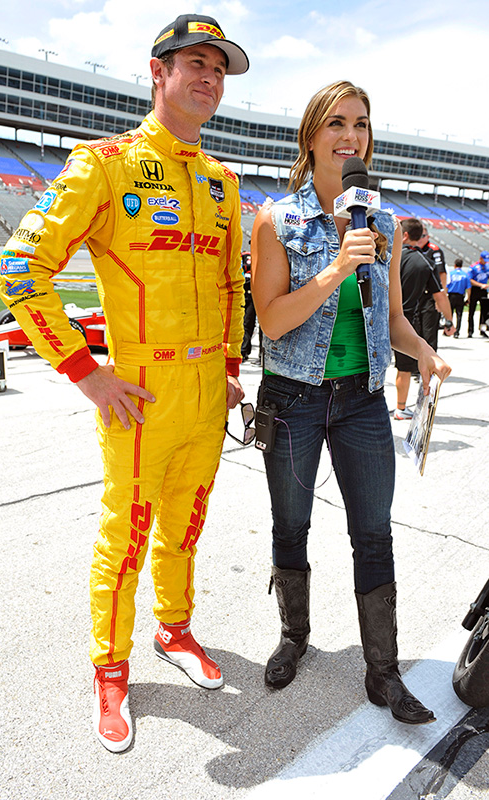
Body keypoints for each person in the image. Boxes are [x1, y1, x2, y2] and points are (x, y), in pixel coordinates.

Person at [0, 13, 249, 753]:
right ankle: (110, 669)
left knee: (186, 528)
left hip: (207, 392)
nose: (209, 78)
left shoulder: (225, 181)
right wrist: (87, 371)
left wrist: (230, 369)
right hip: (139, 393)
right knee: (127, 536)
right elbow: (19, 269)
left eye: (219, 69)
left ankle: (175, 630)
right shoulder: (103, 164)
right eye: (196, 63)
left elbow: (232, 287)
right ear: (158, 71)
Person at [251, 80, 451, 725]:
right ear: (311, 136)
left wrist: (424, 353)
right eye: (336, 123)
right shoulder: (276, 221)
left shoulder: (383, 222)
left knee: (374, 532)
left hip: (362, 399)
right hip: (293, 398)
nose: (350, 135)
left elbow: (391, 321)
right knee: (291, 524)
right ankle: (294, 636)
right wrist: (336, 267)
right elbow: (273, 320)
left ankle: (382, 672)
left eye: (360, 124)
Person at [394, 218, 455, 420]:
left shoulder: (387, 255)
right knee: (406, 368)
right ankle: (402, 408)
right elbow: (440, 295)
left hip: (375, 318)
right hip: (404, 321)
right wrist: (449, 320)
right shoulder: (424, 262)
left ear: (404, 235)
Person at [414, 225, 450, 351]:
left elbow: (442, 274)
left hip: (430, 295)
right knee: (416, 330)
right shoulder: (414, 249)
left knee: (428, 332)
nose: (420, 238)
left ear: (428, 237)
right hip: (416, 295)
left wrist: (440, 297)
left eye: (423, 236)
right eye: (418, 236)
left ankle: (430, 359)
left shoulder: (434, 250)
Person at [447, 257, 471, 337]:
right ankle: (457, 332)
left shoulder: (451, 274)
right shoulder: (465, 275)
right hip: (460, 296)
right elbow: (469, 288)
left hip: (451, 295)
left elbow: (446, 286)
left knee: (450, 314)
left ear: (454, 265)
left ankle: (448, 329)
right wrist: (468, 298)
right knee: (459, 314)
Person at [467, 251, 489, 338]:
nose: (485, 262)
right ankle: (470, 331)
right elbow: (470, 280)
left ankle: (482, 330)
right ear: (480, 258)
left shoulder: (487, 267)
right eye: (484, 260)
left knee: (484, 312)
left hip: (484, 290)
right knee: (471, 311)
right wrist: (480, 285)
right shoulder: (473, 267)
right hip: (475, 289)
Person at [241, 251, 257, 361]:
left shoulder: (259, 256)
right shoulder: (243, 256)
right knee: (243, 323)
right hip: (243, 293)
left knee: (248, 323)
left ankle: (245, 350)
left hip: (253, 295)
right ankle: (243, 350)